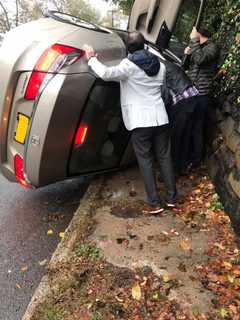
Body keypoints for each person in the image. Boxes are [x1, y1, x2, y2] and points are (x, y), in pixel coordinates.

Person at [84, 32, 177, 214]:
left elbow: (105, 73)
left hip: (141, 121)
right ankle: (172, 197)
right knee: (165, 157)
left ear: (128, 48)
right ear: (144, 45)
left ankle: (154, 203)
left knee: (146, 161)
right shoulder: (160, 65)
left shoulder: (129, 65)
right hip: (160, 117)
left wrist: (91, 59)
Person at [184, 26, 220, 168]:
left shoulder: (212, 47)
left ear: (199, 33)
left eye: (193, 32)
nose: (191, 34)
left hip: (202, 94)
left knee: (197, 127)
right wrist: (187, 54)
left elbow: (200, 60)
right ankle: (188, 157)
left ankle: (196, 160)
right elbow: (185, 66)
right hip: (191, 92)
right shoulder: (197, 46)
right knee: (189, 125)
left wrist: (193, 42)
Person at [162, 60, 199, 175]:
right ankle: (183, 167)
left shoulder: (157, 68)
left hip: (182, 101)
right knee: (185, 136)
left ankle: (173, 172)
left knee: (175, 138)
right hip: (193, 97)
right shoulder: (163, 62)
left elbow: (165, 96)